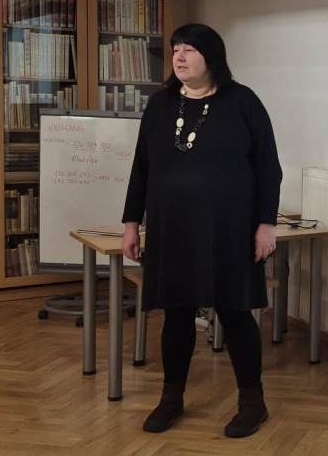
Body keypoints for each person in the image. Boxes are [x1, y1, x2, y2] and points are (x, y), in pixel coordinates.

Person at [120, 23, 282, 437]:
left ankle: (253, 403)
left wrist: (266, 224)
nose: (179, 56)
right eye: (176, 48)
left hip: (229, 230)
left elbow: (268, 167)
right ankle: (171, 399)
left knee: (235, 312)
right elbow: (141, 167)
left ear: (212, 56)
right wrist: (131, 224)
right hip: (172, 229)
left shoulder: (242, 101)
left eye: (190, 49)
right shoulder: (160, 104)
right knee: (175, 314)